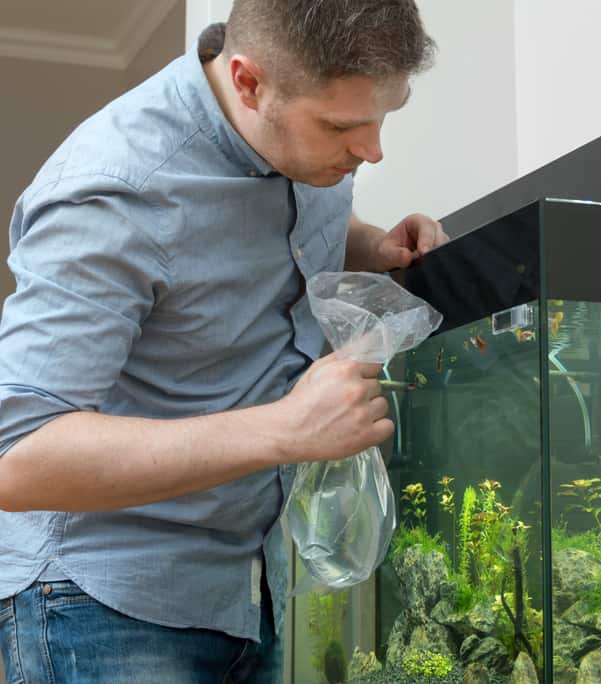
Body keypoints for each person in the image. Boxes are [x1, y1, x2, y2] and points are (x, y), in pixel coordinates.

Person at [0, 1, 445, 681]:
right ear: (247, 83)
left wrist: (367, 247)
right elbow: (19, 457)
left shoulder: (298, 146)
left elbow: (270, 229)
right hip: (101, 609)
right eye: (341, 126)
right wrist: (286, 430)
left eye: (385, 115)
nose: (371, 150)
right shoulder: (116, 189)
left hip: (249, 595)